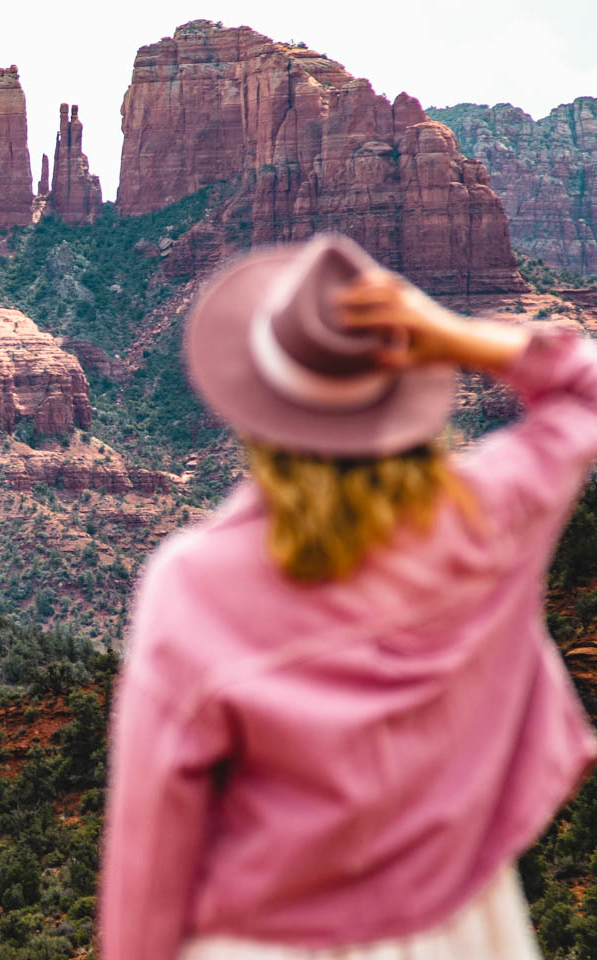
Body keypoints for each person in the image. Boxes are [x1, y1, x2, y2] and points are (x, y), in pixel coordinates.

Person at [97, 233, 597, 959]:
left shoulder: (196, 584)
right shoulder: (487, 512)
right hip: (466, 930)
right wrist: (453, 335)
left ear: (257, 407)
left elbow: (151, 843)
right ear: (406, 392)